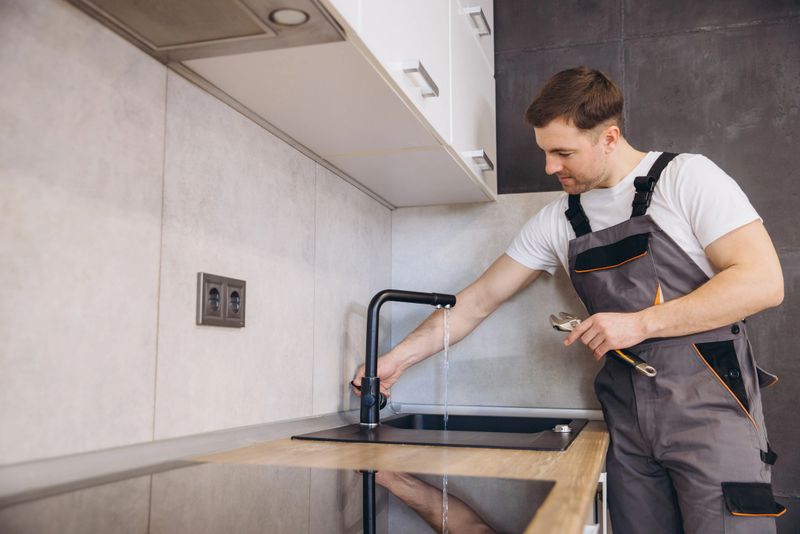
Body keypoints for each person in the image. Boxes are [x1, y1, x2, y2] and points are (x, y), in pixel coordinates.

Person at [352, 66, 785, 533]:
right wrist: (395, 359)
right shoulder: (557, 220)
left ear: (610, 138)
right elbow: (477, 301)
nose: (550, 167)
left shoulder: (686, 178)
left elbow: (762, 282)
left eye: (563, 153)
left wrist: (640, 324)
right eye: (544, 152)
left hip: (711, 414)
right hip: (627, 424)